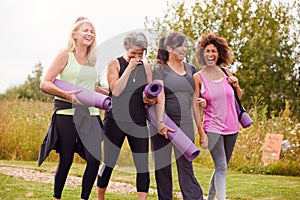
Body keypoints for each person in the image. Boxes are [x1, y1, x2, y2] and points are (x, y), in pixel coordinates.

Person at [38, 17, 108, 200]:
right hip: (66, 113)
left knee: (94, 160)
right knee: (66, 159)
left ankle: (84, 198)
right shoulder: (64, 55)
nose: (89, 34)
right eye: (85, 30)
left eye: (92, 31)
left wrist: (108, 94)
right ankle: (57, 197)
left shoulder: (92, 60)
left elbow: (89, 86)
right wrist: (68, 95)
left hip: (91, 113)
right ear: (75, 34)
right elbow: (45, 83)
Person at [96, 31, 155, 200]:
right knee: (109, 162)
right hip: (115, 120)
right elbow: (116, 90)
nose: (137, 57)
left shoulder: (146, 68)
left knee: (142, 165)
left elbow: (149, 96)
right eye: (133, 53)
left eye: (141, 53)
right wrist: (129, 68)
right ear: (126, 48)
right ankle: (100, 197)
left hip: (138, 121)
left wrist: (149, 99)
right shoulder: (114, 64)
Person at [149, 31, 206, 200]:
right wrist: (160, 123)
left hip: (185, 124)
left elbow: (195, 100)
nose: (184, 49)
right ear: (169, 48)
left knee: (185, 165)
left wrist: (201, 130)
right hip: (164, 123)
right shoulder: (160, 69)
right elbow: (160, 96)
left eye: (185, 46)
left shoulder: (191, 69)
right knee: (163, 168)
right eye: (180, 46)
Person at [193, 33, 243, 200]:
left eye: (213, 51)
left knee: (222, 167)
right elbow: (194, 105)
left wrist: (235, 84)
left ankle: (210, 197)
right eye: (207, 51)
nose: (210, 54)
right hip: (212, 127)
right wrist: (201, 132)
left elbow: (238, 97)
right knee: (220, 165)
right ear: (202, 54)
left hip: (232, 126)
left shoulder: (226, 72)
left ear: (219, 53)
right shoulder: (198, 77)